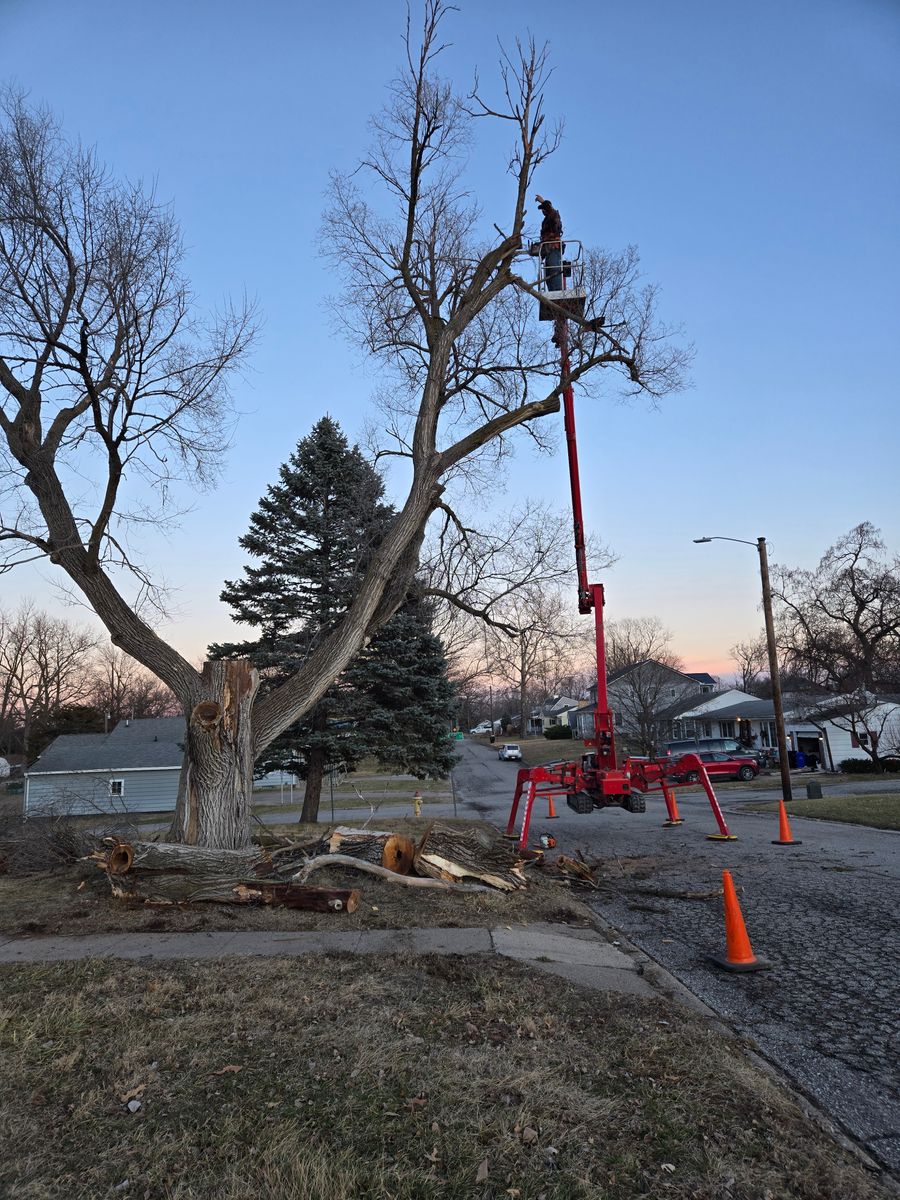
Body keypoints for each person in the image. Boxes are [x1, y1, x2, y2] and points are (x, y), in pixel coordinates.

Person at [535, 194, 563, 291]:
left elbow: (551, 211)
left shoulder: (554, 215)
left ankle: (558, 291)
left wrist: (542, 201)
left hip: (554, 248)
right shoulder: (546, 220)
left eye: (544, 208)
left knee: (554, 269)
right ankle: (552, 292)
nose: (543, 210)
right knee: (548, 274)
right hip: (548, 250)